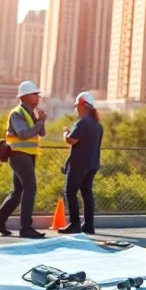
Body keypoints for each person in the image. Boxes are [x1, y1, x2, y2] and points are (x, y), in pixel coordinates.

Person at [0, 80, 47, 239]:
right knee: (30, 187)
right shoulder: (17, 113)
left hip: (28, 155)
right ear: (26, 96)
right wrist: (40, 122)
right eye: (35, 94)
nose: (38, 97)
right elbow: (23, 133)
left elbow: (40, 133)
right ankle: (26, 227)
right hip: (18, 155)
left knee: (18, 192)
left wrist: (40, 120)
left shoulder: (31, 113)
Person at [58, 91, 103, 235]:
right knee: (86, 192)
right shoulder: (97, 125)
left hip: (79, 163)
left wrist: (65, 133)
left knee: (70, 192)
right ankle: (89, 225)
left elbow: (72, 140)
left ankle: (74, 224)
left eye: (77, 106)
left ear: (83, 106)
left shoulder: (83, 122)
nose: (76, 109)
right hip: (92, 164)